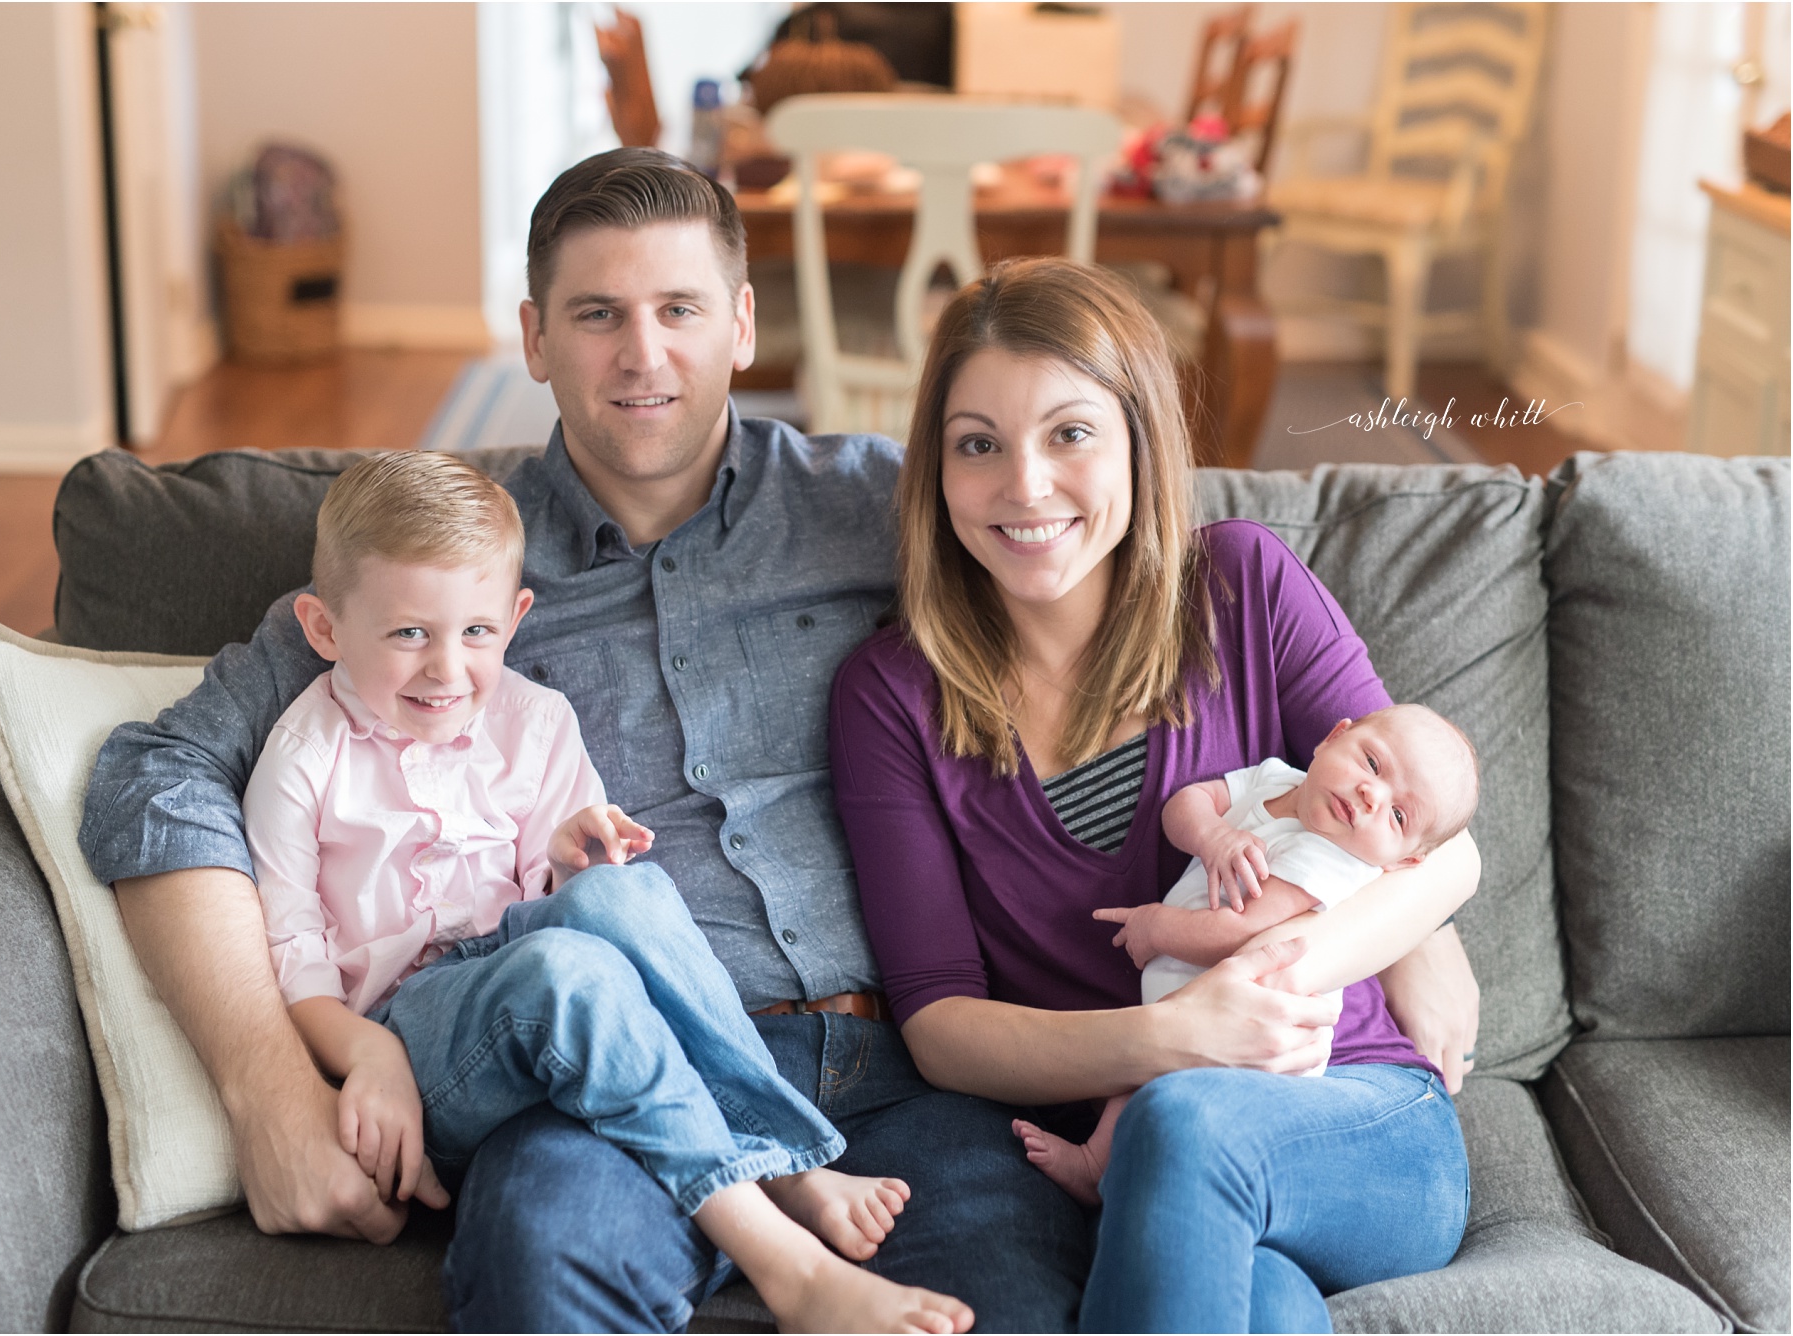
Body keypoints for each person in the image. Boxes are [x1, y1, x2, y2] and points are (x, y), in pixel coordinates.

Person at [79, 148, 1479, 1332]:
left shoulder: (908, 503)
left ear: (744, 323)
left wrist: (1402, 912)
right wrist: (268, 1083)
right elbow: (157, 772)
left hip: (903, 1071)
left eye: (682, 308)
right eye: (598, 316)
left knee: (1022, 1290)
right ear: (531, 335)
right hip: (632, 1071)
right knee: (536, 1244)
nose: (645, 356)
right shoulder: (445, 571)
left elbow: (1148, 574)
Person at [829, 255, 1477, 1332]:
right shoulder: (891, 695)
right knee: (1262, 1305)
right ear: (934, 474)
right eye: (976, 443)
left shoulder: (1242, 584)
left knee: (1187, 1129)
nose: (1024, 485)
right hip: (1126, 1147)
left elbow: (1440, 845)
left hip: (1359, 1113)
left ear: (1138, 440)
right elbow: (940, 1026)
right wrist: (1181, 1034)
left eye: (1069, 433)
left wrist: (1383, 946)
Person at [242, 450, 969, 1333]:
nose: (445, 670)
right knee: (563, 971)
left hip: (537, 981)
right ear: (323, 628)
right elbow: (292, 958)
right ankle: (790, 1259)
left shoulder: (532, 719)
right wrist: (366, 1055)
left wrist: (572, 861)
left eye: (475, 633)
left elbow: (559, 902)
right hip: (413, 1042)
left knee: (621, 896)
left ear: (515, 618)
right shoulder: (302, 758)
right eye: (406, 635)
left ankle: (783, 1154)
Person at [1015, 704, 1481, 1204]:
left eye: (1397, 815)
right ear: (1333, 736)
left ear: (1404, 861)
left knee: (1163, 1089)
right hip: (1193, 1011)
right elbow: (1187, 802)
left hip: (1259, 1038)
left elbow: (1241, 930)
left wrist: (1158, 929)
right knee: (1146, 1067)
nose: (1372, 795)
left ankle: (1095, 1166)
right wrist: (1213, 835)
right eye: (1372, 763)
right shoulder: (1275, 778)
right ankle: (1101, 1164)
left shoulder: (1334, 860)